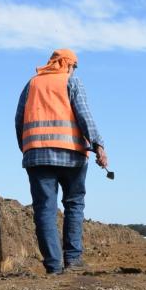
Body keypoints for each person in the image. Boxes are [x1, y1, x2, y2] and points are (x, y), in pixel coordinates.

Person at [15, 48, 109, 274]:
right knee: (74, 203)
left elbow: (19, 119)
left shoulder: (32, 84)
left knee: (45, 209)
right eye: (74, 66)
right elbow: (84, 115)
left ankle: (53, 265)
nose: (74, 70)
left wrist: (27, 147)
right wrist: (99, 145)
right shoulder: (71, 82)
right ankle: (73, 259)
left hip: (37, 155)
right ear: (68, 64)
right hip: (72, 154)